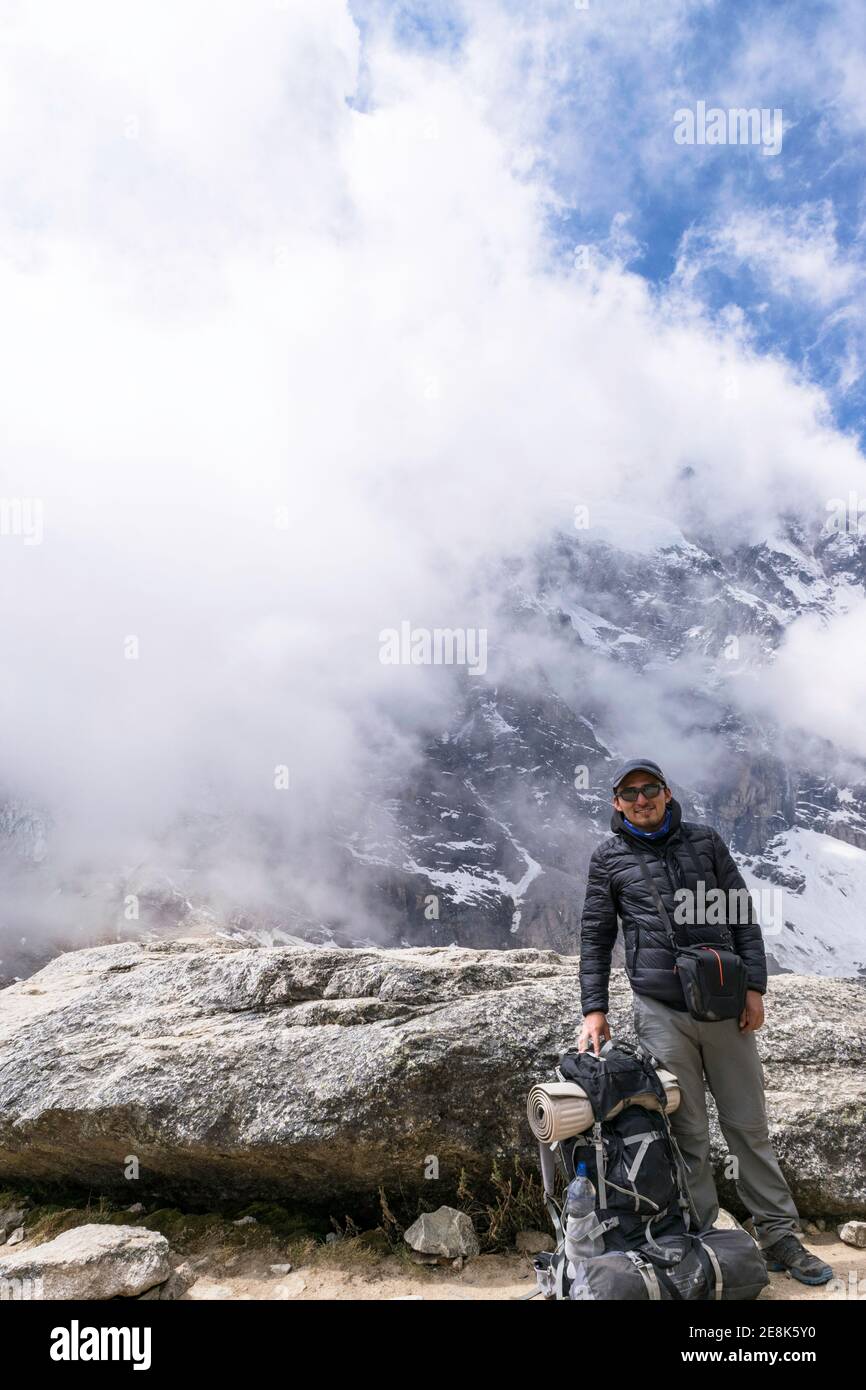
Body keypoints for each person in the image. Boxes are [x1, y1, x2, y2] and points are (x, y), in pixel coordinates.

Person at [577, 758, 833, 1286]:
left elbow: (741, 914)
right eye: (630, 794)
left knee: (747, 1124)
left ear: (667, 794)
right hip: (659, 1011)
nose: (641, 799)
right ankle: (707, 1239)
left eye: (650, 789)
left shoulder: (705, 842)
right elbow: (596, 936)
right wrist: (593, 1008)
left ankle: (780, 1236)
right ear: (616, 804)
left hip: (723, 1004)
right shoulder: (609, 859)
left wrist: (755, 988)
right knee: (686, 1131)